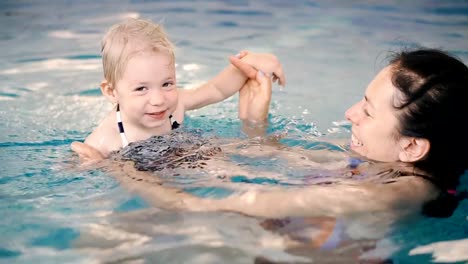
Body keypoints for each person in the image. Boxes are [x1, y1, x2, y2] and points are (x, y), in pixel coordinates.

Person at [100, 48, 467, 220]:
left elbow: (200, 206)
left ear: (412, 146)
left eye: (368, 112)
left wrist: (120, 171)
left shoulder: (385, 195)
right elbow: (286, 162)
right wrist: (254, 125)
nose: (350, 114)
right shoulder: (382, 159)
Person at [71, 18, 285, 159]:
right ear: (111, 92)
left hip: (189, 152)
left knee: (263, 153)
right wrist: (93, 162)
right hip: (147, 172)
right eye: (141, 89)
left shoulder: (176, 103)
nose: (158, 99)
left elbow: (216, 89)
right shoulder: (107, 137)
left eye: (167, 84)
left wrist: (255, 61)